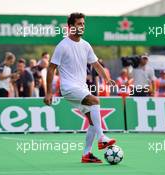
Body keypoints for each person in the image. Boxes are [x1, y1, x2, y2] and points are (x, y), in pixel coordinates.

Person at [44, 13, 116, 163]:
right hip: (69, 87)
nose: (82, 26)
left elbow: (96, 64)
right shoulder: (62, 46)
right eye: (78, 24)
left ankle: (86, 154)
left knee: (92, 121)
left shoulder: (86, 45)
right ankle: (102, 138)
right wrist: (49, 92)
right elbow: (51, 69)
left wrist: (107, 79)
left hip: (81, 88)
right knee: (95, 101)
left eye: (83, 24)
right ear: (70, 27)